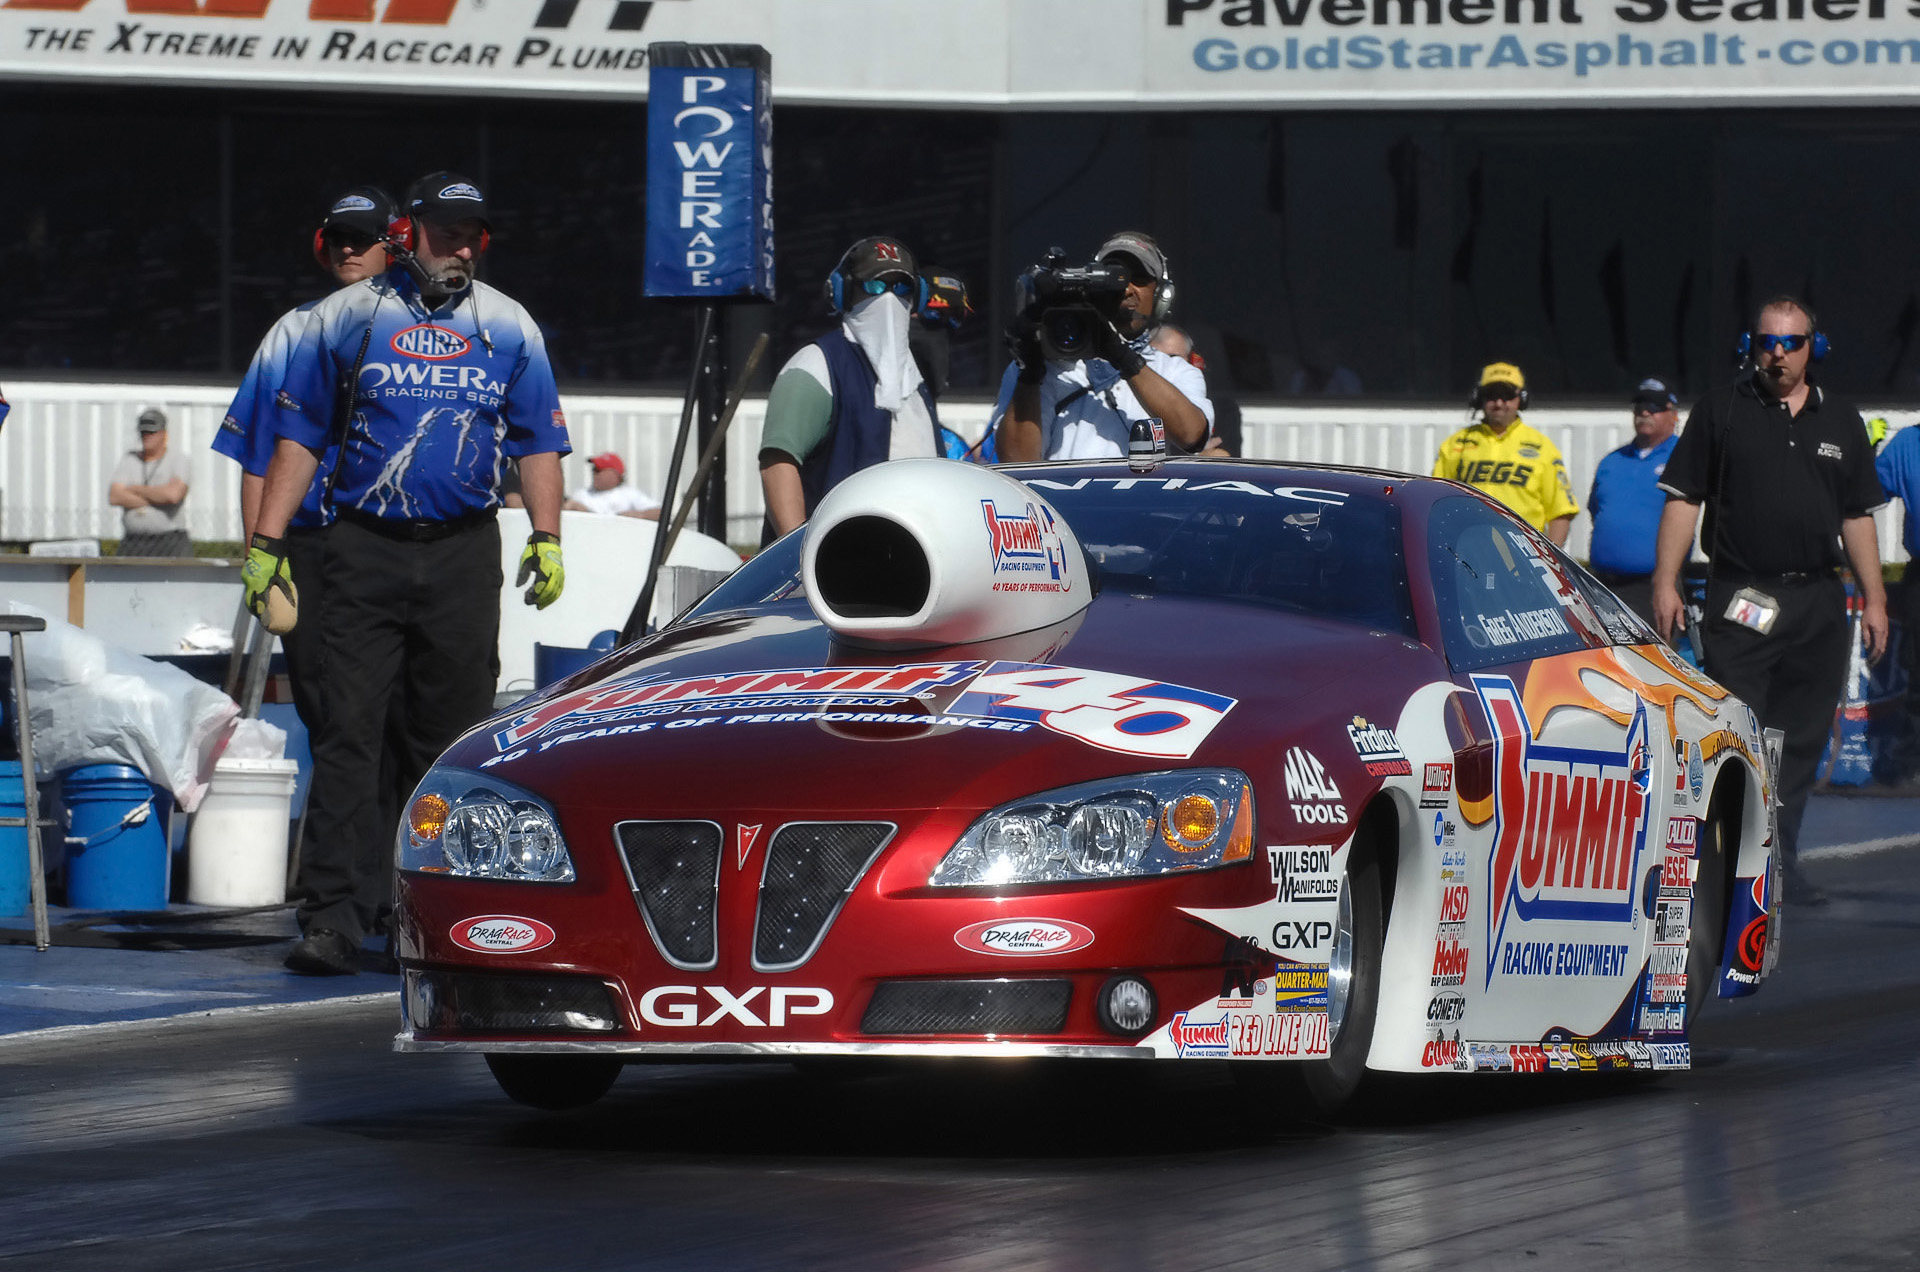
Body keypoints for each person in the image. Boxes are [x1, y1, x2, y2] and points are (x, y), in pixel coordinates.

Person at [247, 171, 571, 975]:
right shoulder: (351, 317)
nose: (462, 245)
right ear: (411, 233)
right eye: (449, 230)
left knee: (449, 745)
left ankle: (433, 918)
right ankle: (332, 918)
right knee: (350, 735)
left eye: (474, 233)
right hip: (363, 546)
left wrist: (548, 535)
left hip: (465, 550)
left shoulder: (509, 325)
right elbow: (299, 436)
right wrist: (265, 543)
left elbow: (537, 439)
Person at [1651, 296, 1889, 903]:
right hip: (1742, 596)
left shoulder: (1842, 421)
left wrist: (1876, 598)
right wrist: (1665, 580)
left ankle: (1779, 861)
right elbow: (1683, 498)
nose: (1777, 354)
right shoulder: (1720, 411)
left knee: (1803, 737)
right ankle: (1727, 864)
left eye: (1791, 343)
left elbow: (1856, 515)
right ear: (1750, 346)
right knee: (1739, 733)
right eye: (1766, 342)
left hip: (1817, 598)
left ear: (1816, 348)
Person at [214, 187, 394, 740]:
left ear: (396, 245)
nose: (348, 251)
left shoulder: (434, 329)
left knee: (400, 712)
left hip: (395, 543)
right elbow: (256, 455)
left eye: (362, 239)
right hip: (311, 543)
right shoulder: (290, 331)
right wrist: (259, 558)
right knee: (324, 710)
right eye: (338, 240)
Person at [759, 236, 941, 541]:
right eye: (874, 286)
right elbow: (779, 462)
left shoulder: (916, 382)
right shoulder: (817, 365)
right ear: (843, 292)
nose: (888, 299)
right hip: (833, 569)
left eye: (901, 288)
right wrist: (798, 554)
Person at [992, 231, 1212, 463]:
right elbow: (1017, 461)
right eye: (1115, 278)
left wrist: (1119, 355)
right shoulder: (1041, 366)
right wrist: (1030, 372)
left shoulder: (1176, 371)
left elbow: (1192, 436)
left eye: (1138, 278)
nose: (1126, 289)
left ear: (1160, 296)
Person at [1432, 362, 1578, 546]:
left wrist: (1550, 562)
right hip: (1465, 551)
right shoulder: (1455, 444)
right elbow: (1435, 503)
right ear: (1479, 399)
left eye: (1506, 395)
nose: (1499, 403)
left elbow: (1561, 511)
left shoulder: (1543, 447)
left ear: (1521, 399)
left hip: (1523, 555)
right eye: (1491, 395)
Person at [1585, 377, 1681, 626]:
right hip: (1601, 585)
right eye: (1639, 406)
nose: (1644, 412)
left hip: (1652, 588)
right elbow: (1596, 510)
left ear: (1674, 414)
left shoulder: (1683, 457)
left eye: (1655, 406)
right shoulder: (1612, 460)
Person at [1873, 418, 1920, 783]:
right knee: (1917, 673)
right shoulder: (1907, 443)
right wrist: (1865, 451)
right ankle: (1912, 765)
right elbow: (1863, 494)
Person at [108, 409, 193, 557]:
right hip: (133, 542)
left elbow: (173, 495)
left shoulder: (178, 459)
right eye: (143, 433)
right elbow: (115, 496)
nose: (146, 437)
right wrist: (157, 498)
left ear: (164, 434)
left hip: (169, 543)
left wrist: (134, 489)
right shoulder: (129, 459)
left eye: (151, 432)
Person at [565, 452, 660, 519]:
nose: (594, 473)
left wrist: (640, 515)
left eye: (598, 470)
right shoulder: (582, 494)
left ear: (615, 474)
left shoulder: (630, 494)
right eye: (593, 469)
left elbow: (660, 513)